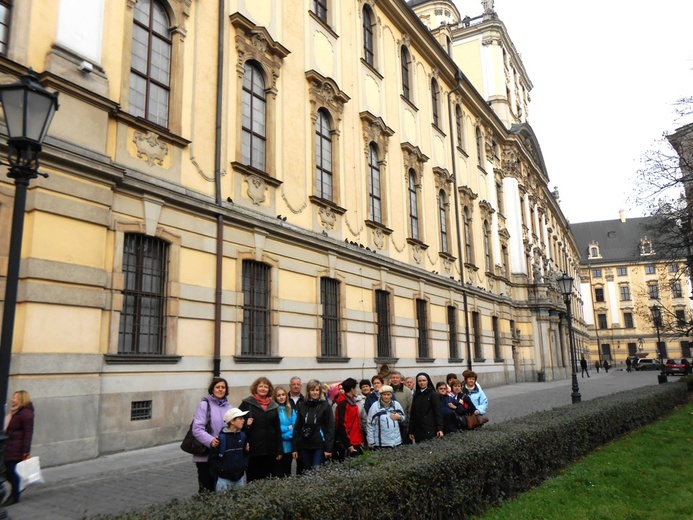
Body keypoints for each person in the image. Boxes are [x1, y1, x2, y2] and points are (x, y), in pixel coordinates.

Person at [192, 377, 232, 493]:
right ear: (212, 389)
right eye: (217, 387)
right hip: (206, 454)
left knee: (221, 487)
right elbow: (197, 429)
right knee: (206, 488)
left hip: (222, 455)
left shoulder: (229, 407)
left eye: (223, 387)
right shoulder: (204, 405)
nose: (220, 390)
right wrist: (211, 441)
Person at [239, 377, 283, 482]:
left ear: (269, 389)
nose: (263, 389)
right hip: (253, 450)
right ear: (256, 388)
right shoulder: (247, 404)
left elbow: (277, 428)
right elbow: (235, 422)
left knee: (267, 479)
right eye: (261, 386)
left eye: (266, 386)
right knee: (253, 478)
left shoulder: (273, 406)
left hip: (270, 450)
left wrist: (279, 449)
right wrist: (245, 425)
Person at [292, 379, 334, 471]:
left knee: (316, 469)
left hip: (319, 444)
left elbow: (330, 427)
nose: (314, 392)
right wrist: (294, 448)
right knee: (307, 471)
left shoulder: (325, 406)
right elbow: (297, 427)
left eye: (316, 390)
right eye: (312, 390)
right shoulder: (302, 405)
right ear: (308, 391)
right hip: (304, 444)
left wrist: (328, 448)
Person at [3, 390, 34, 506]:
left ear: (21, 399)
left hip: (17, 448)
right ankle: (17, 488)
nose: (12, 399)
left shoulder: (26, 414)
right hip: (9, 447)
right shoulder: (15, 412)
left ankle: (14, 496)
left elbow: (28, 433)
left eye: (15, 398)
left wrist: (26, 451)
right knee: (7, 471)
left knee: (9, 472)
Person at [211, 408, 249, 490]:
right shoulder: (221, 438)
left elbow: (245, 454)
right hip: (224, 480)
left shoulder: (243, 436)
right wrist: (221, 470)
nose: (243, 420)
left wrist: (244, 466)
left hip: (239, 478)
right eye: (240, 418)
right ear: (232, 421)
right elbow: (213, 457)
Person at [408, 372, 443, 443]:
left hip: (430, 427)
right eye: (419, 381)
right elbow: (413, 413)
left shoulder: (433, 394)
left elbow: (438, 412)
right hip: (418, 429)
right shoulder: (416, 395)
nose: (422, 383)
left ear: (428, 381)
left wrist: (440, 428)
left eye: (424, 380)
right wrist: (411, 430)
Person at [334, 378, 364, 459]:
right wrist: (349, 445)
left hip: (356, 440)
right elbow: (341, 425)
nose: (357, 390)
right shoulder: (342, 404)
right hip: (349, 443)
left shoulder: (351, 402)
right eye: (356, 388)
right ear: (352, 389)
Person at [274, 385, 296, 477]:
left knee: (287, 472)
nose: (281, 397)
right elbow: (276, 428)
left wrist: (284, 432)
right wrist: (288, 428)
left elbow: (295, 427)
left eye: (283, 394)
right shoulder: (273, 410)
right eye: (278, 395)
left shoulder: (291, 410)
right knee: (278, 473)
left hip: (289, 447)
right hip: (278, 447)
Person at [388, 370, 412, 442]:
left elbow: (410, 408)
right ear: (391, 379)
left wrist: (409, 425)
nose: (395, 379)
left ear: (400, 379)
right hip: (390, 425)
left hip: (403, 424)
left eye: (397, 378)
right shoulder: (387, 391)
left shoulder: (407, 391)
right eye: (393, 378)